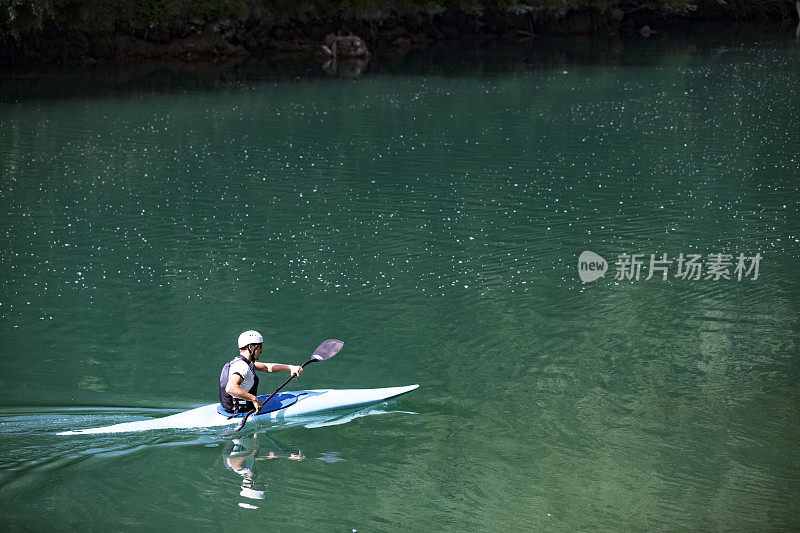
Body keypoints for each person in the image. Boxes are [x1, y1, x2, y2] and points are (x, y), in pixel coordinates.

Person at [219, 330, 303, 415]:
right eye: (260, 346)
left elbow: (266, 367)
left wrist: (289, 367)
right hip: (240, 411)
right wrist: (254, 399)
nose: (262, 350)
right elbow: (230, 388)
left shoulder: (242, 362)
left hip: (230, 408)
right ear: (251, 347)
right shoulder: (242, 366)